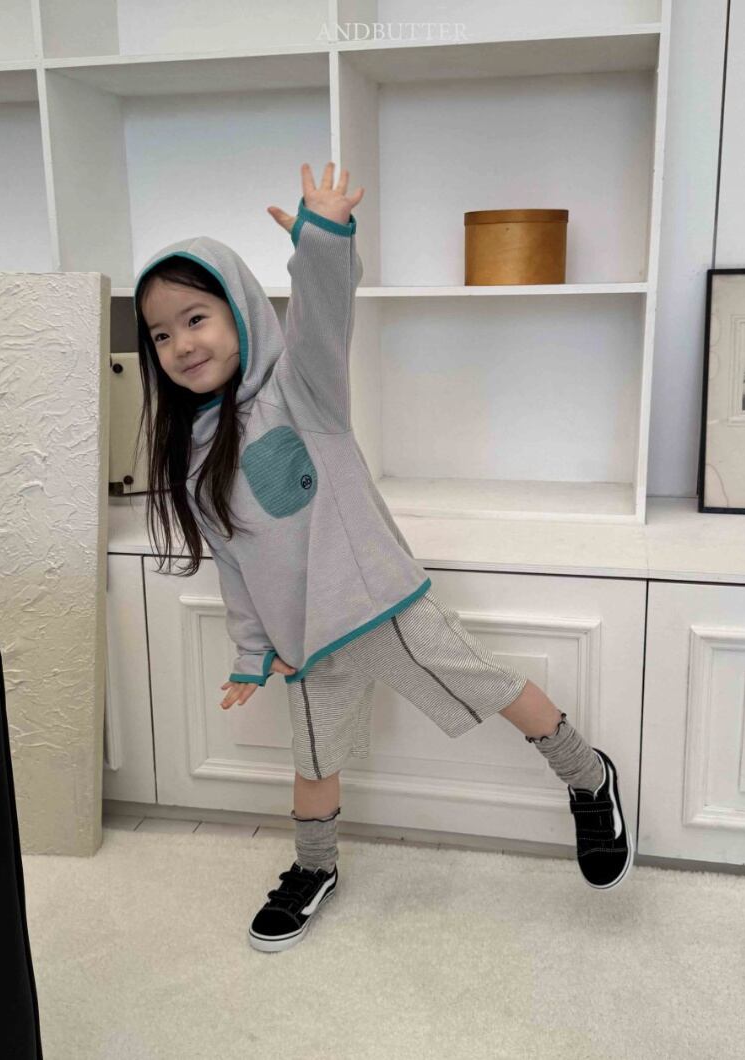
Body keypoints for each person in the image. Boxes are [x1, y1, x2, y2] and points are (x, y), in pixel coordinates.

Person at [132, 162, 632, 953]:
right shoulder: (192, 453)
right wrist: (253, 651)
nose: (181, 344)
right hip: (304, 639)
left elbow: (324, 315)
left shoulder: (302, 391)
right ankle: (315, 867)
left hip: (379, 607)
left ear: (241, 312)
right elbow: (234, 565)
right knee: (314, 758)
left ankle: (587, 775)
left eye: (195, 319)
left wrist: (322, 239)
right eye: (161, 335)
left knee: (490, 685)